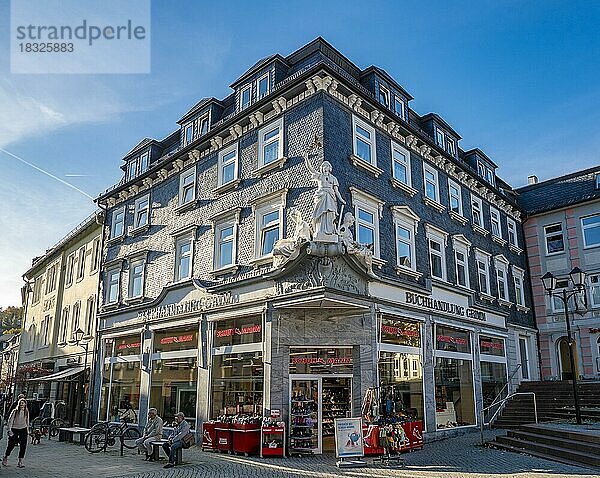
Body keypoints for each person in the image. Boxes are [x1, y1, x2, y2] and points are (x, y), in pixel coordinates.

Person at [3, 398, 29, 468]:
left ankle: (20, 461)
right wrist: (9, 430)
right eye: (21, 403)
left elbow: (27, 421)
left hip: (23, 429)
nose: (22, 404)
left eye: (23, 403)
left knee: (23, 445)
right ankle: (5, 457)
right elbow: (10, 421)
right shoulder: (15, 411)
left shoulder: (26, 411)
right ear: (19, 404)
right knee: (11, 444)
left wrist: (28, 430)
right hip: (14, 429)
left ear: (25, 404)